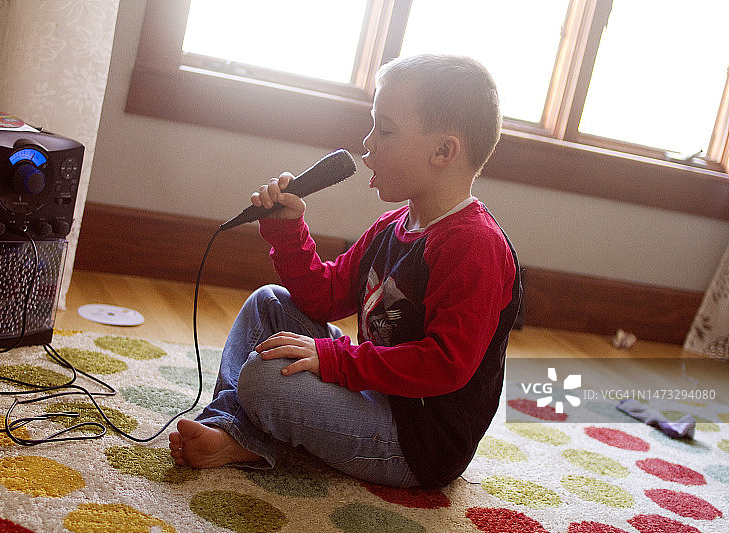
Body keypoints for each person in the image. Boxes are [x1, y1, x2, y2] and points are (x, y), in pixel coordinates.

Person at [169, 54, 522, 488]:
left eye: (385, 129)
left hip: (416, 442)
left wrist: (334, 359)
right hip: (373, 385)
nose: (367, 142)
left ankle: (247, 433)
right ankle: (234, 430)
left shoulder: (475, 247)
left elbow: (443, 365)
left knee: (262, 378)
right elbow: (324, 297)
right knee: (269, 303)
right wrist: (288, 231)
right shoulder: (393, 225)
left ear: (443, 152)